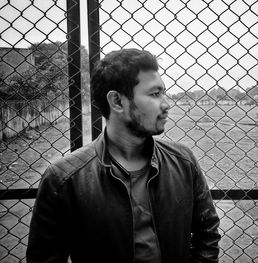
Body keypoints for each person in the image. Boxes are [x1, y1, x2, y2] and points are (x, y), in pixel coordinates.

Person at [26, 48, 221, 263]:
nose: (166, 105)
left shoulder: (184, 162)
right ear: (117, 101)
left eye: (163, 93)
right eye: (155, 94)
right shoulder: (64, 179)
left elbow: (207, 234)